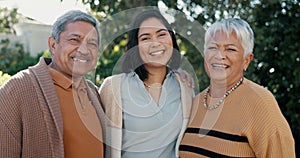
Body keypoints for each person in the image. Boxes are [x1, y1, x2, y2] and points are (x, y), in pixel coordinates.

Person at [179, 18, 295, 157]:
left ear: (246, 60)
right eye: (212, 48)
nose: (219, 55)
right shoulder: (193, 103)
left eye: (230, 49)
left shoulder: (260, 103)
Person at [0, 10, 107, 158]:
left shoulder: (94, 93)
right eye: (74, 40)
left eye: (92, 43)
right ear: (53, 44)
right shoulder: (17, 89)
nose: (84, 49)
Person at [99, 9, 194, 158]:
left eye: (161, 34)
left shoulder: (185, 87)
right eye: (145, 38)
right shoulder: (113, 87)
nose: (155, 43)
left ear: (172, 39)